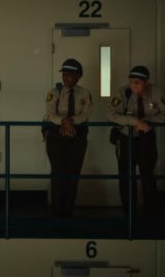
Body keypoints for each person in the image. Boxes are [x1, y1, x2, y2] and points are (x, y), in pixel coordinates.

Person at [107, 65, 165, 216]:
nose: (134, 85)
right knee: (126, 177)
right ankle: (129, 213)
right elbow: (111, 115)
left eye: (138, 82)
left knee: (147, 175)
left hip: (146, 139)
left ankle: (151, 213)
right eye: (132, 81)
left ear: (147, 82)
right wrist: (134, 121)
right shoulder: (123, 92)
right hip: (126, 138)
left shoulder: (157, 92)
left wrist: (147, 122)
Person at [44, 58, 93, 217]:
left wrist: (70, 121)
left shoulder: (85, 93)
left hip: (77, 137)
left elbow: (86, 115)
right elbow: (50, 114)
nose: (66, 78)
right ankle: (56, 212)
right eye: (64, 75)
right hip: (56, 137)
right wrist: (63, 121)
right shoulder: (55, 92)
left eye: (70, 75)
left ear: (79, 76)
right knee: (58, 174)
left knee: (72, 175)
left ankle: (68, 212)